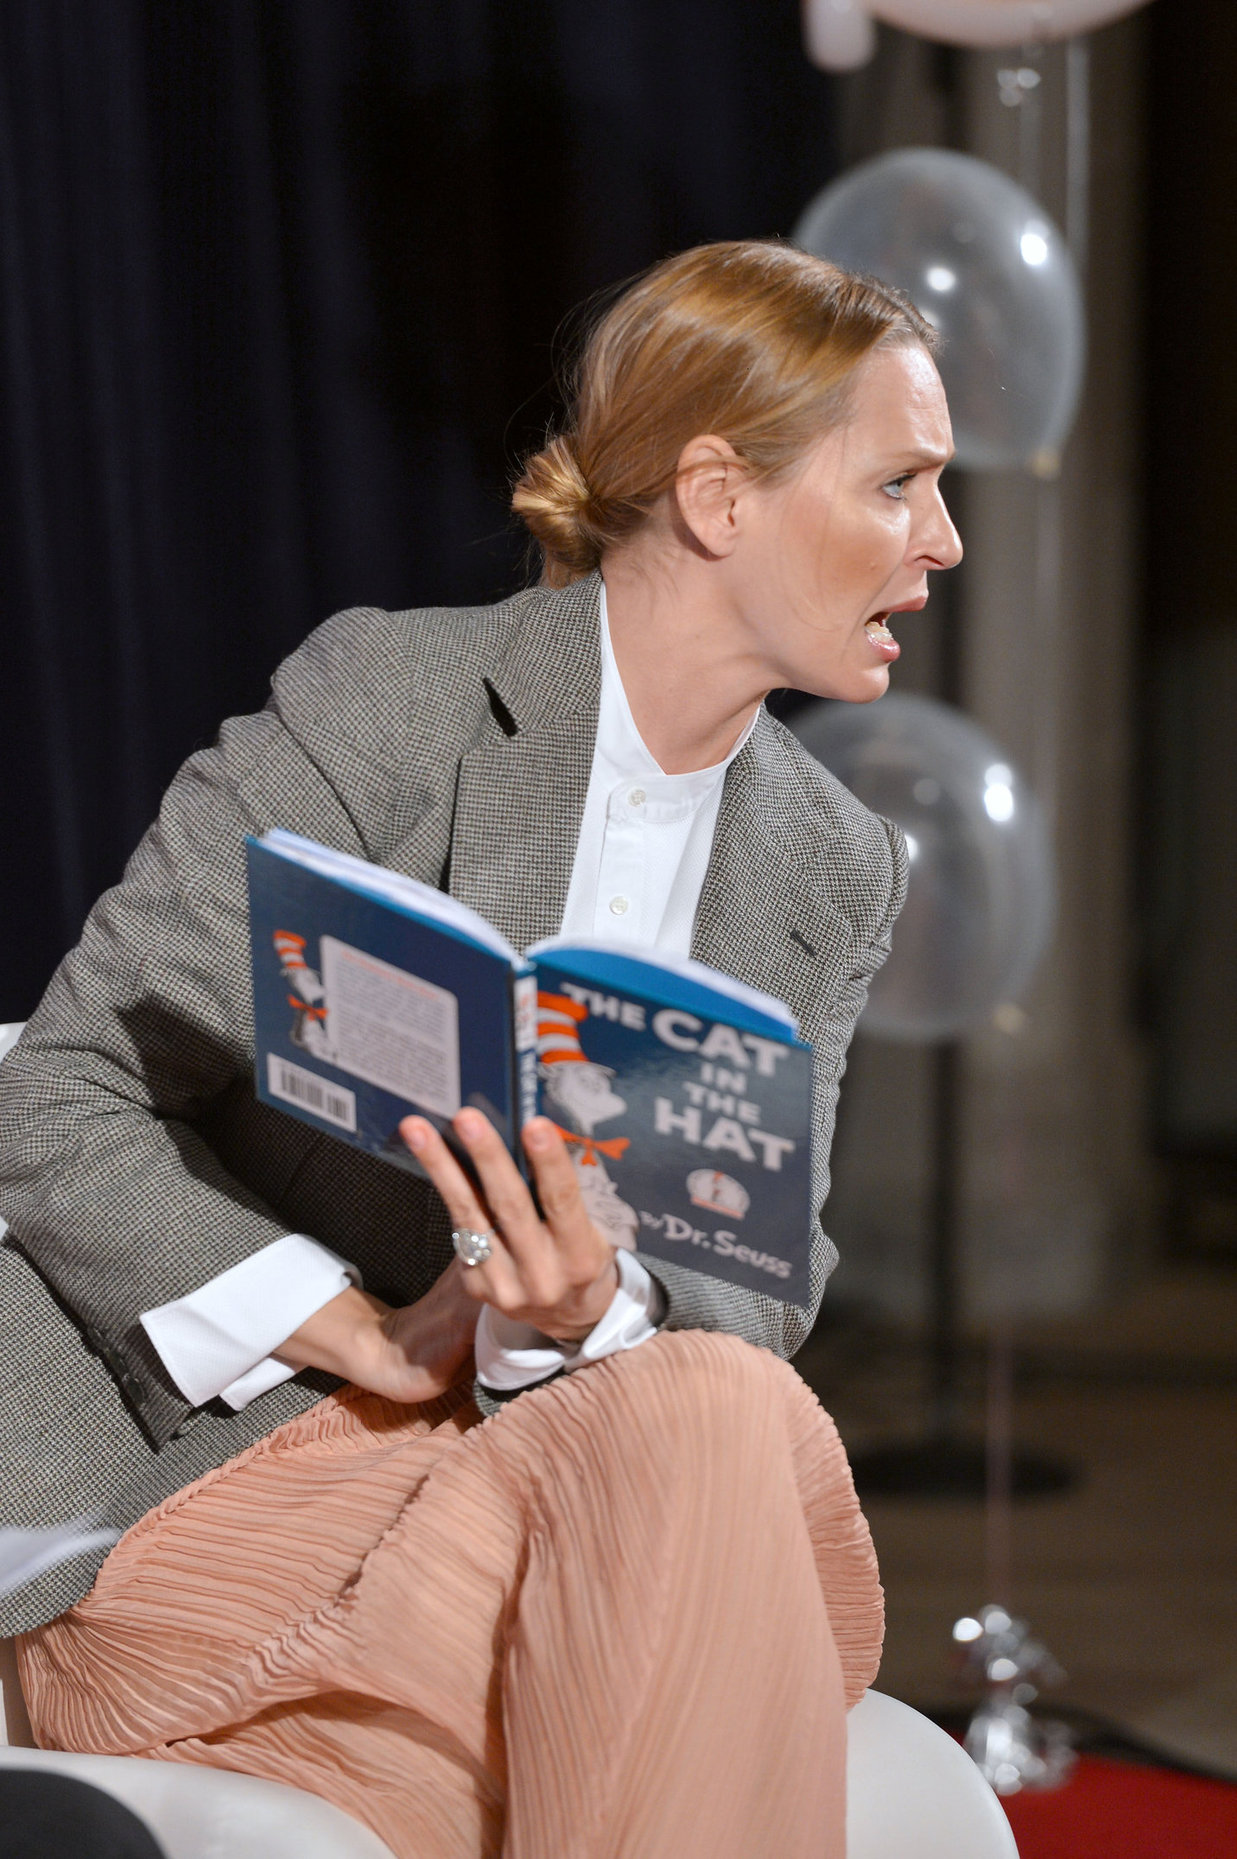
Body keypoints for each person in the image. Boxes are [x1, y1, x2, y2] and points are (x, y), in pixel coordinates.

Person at [0, 240, 961, 1858]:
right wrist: (359, 1334)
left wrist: (587, 1314)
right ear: (718, 497)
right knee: (725, 1443)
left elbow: (760, 1270)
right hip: (222, 1508)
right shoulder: (394, 704)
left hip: (559, 1508)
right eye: (898, 486)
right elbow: (63, 1092)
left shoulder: (830, 865)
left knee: (705, 1417)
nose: (938, 544)